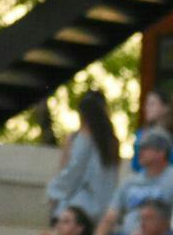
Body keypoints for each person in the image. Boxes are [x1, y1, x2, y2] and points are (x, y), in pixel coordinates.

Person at [91, 127, 173, 235]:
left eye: (145, 148)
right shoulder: (129, 181)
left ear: (161, 152)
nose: (139, 152)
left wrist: (147, 234)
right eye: (139, 148)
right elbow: (111, 215)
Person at [46, 89, 121, 221]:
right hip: (103, 210)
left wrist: (53, 193)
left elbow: (70, 171)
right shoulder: (112, 142)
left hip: (76, 211)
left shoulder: (80, 138)